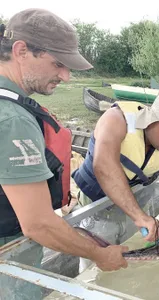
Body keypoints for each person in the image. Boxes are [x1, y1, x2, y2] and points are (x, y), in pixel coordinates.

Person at [0, 8, 129, 276]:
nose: (66, 76)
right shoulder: (14, 120)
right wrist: (99, 254)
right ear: (21, 51)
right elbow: (38, 224)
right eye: (58, 63)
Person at [72, 93, 159, 263]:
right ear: (151, 118)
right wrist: (140, 216)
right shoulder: (116, 119)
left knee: (130, 264)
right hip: (96, 206)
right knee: (97, 265)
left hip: (134, 207)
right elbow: (103, 167)